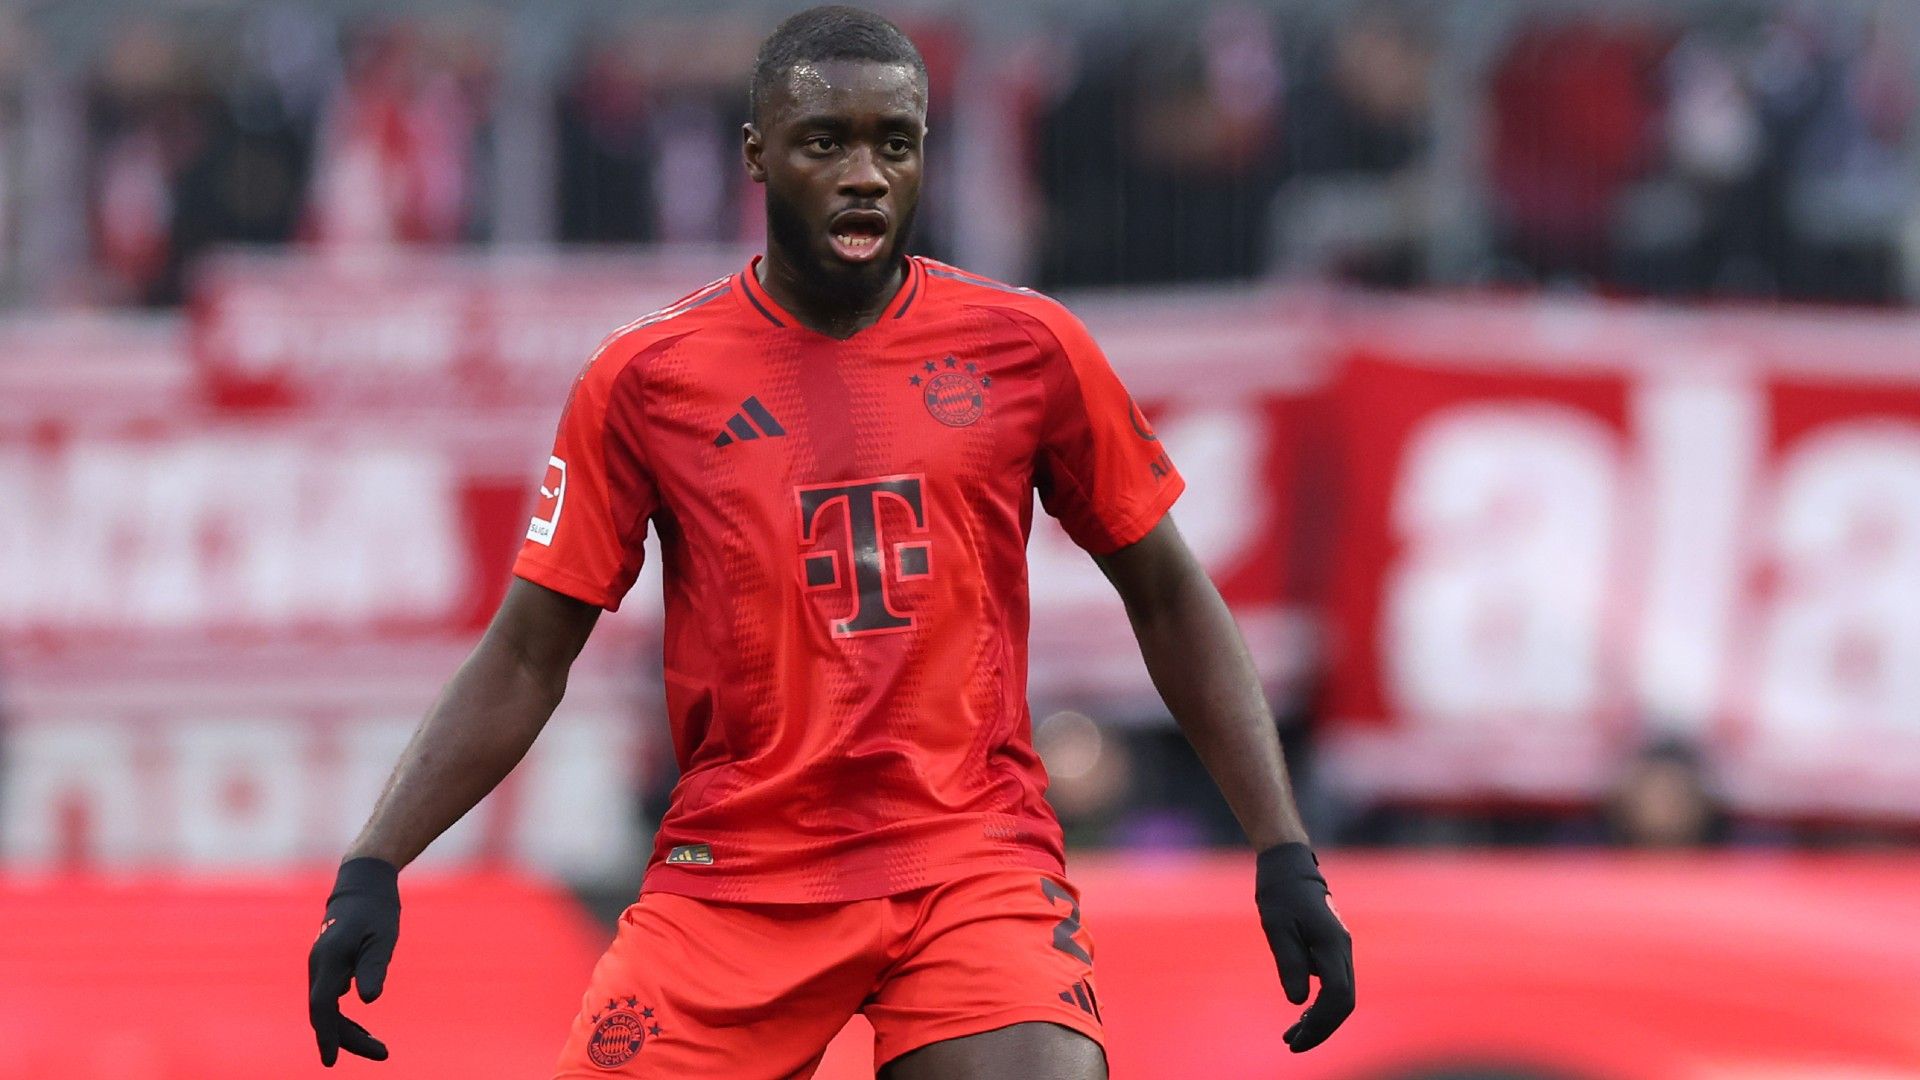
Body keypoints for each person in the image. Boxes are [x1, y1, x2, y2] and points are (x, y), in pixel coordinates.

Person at [305, 7, 1352, 1078]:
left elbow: (1171, 596)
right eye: (826, 142)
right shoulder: (648, 380)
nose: (865, 174)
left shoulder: (1026, 348)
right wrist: (376, 862)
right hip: (739, 877)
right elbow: (529, 653)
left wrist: (1283, 850)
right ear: (757, 154)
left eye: (893, 143)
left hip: (968, 863)